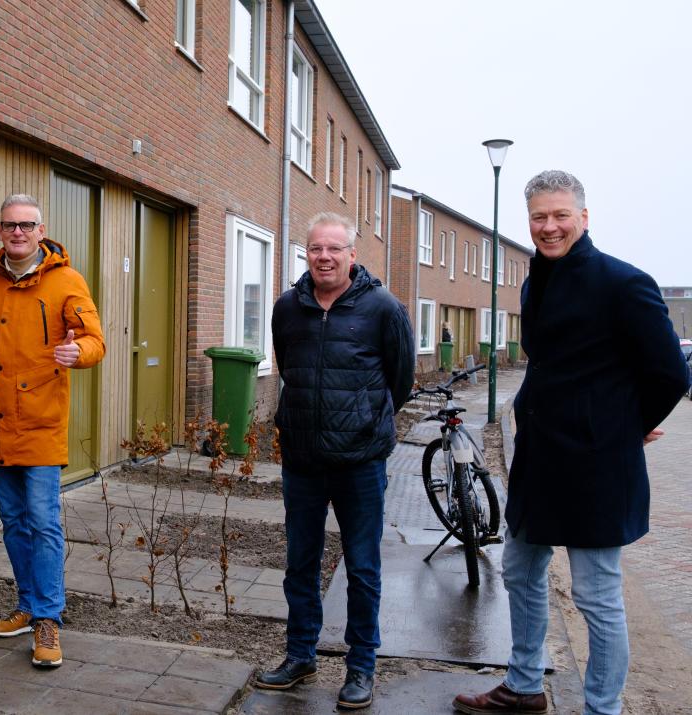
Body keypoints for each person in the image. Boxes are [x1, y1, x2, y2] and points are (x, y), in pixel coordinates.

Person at [453, 171, 690, 715]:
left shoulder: (623, 282)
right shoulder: (535, 283)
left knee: (597, 597)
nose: (549, 226)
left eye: (561, 215)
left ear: (585, 217)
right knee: (519, 570)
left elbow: (672, 374)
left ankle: (602, 708)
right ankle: (524, 685)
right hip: (539, 460)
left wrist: (628, 426)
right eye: (539, 216)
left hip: (596, 467)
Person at [257, 212, 414, 708]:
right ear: (306, 252)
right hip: (303, 461)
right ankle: (300, 655)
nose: (324, 257)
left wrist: (364, 422)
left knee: (363, 567)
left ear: (352, 253)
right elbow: (290, 368)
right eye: (315, 248)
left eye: (334, 249)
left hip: (360, 463)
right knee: (300, 564)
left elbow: (400, 380)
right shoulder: (287, 308)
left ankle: (361, 666)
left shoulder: (383, 308)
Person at [0, 194, 105, 668]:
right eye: (10, 225)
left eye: (27, 225)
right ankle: (26, 605)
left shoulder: (67, 280)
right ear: (0, 230)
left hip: (42, 422)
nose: (18, 233)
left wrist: (78, 352)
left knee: (44, 522)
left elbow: (94, 339)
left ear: (41, 230)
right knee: (13, 522)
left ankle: (48, 618)